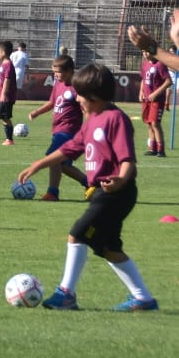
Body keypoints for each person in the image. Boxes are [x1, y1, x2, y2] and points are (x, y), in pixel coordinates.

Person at [17, 63, 157, 312]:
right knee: (108, 247)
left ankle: (66, 294)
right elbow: (69, 149)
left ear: (94, 97)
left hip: (116, 192)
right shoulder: (91, 120)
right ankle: (143, 298)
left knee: (78, 233)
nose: (77, 99)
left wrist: (121, 180)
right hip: (104, 193)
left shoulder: (115, 119)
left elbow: (127, 159)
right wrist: (39, 164)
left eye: (80, 95)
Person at [26, 55, 88, 201]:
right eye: (54, 72)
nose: (55, 75)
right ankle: (91, 184)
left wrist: (88, 128)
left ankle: (52, 193)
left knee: (53, 158)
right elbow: (52, 102)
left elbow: (86, 109)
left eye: (58, 72)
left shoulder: (77, 87)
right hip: (58, 130)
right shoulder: (58, 84)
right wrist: (37, 112)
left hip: (69, 131)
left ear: (69, 71)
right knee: (64, 165)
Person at [139, 48, 169, 157]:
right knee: (149, 123)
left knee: (155, 123)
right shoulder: (145, 64)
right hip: (147, 99)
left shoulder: (160, 65)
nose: (145, 54)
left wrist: (156, 93)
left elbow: (168, 81)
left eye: (146, 51)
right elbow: (143, 79)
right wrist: (141, 92)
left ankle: (161, 150)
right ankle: (152, 149)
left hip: (157, 100)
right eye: (143, 51)